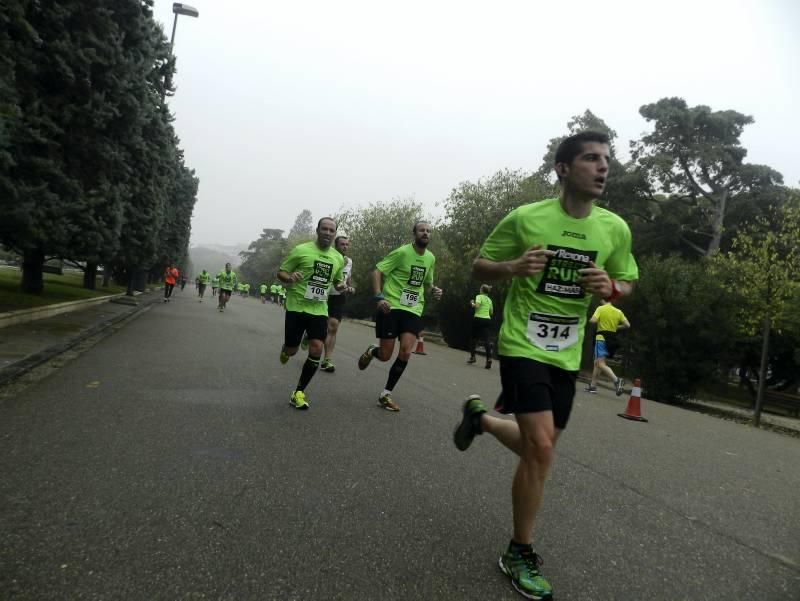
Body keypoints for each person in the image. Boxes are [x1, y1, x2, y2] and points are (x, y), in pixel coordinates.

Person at [452, 131, 639, 600]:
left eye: (606, 160)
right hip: (522, 344)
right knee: (540, 446)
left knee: (541, 447)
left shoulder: (614, 229)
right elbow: (479, 266)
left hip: (567, 352)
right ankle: (519, 551)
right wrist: (513, 268)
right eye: (591, 159)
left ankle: (483, 420)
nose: (602, 168)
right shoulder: (527, 217)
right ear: (563, 169)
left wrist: (611, 288)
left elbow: (628, 282)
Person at [357, 220, 442, 411]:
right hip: (392, 306)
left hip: (413, 309)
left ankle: (386, 394)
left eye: (428, 231)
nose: (425, 233)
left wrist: (434, 290)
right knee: (386, 355)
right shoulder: (402, 252)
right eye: (422, 230)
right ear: (414, 233)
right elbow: (377, 271)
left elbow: (427, 283)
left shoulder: (431, 258)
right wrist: (379, 297)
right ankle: (372, 352)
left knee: (405, 352)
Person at [277, 217, 345, 410]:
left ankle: (298, 392)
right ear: (317, 230)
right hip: (296, 307)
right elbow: (281, 272)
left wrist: (341, 286)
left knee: (316, 347)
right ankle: (286, 348)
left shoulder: (337, 258)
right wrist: (290, 278)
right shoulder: (301, 250)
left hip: (319, 310)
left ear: (334, 234)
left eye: (332, 230)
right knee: (292, 350)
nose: (328, 233)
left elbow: (337, 281)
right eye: (325, 229)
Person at [321, 235, 355, 373]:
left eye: (347, 244)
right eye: (342, 244)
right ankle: (309, 334)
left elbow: (348, 277)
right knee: (319, 326)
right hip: (323, 296)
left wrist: (350, 287)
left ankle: (327, 360)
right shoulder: (328, 257)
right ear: (336, 245)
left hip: (338, 297)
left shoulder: (349, 261)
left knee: (333, 327)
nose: (345, 247)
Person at [585, 300, 630, 395]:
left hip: (601, 338)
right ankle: (593, 386)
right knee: (597, 363)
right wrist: (616, 327)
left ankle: (617, 380)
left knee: (600, 363)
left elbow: (593, 320)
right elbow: (627, 325)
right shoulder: (618, 311)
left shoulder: (601, 309)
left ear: (604, 300)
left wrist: (590, 319)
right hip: (611, 340)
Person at [468, 284, 494, 369]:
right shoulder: (489, 300)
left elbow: (477, 306)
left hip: (478, 319)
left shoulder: (479, 296)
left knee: (473, 338)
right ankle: (489, 358)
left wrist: (472, 303)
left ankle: (472, 357)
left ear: (482, 290)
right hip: (487, 320)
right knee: (487, 340)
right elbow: (491, 312)